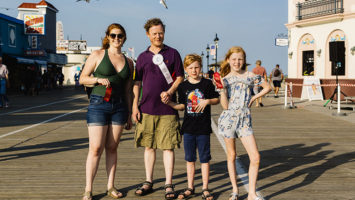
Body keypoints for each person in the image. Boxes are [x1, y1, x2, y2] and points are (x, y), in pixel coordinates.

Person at [79, 23, 134, 200]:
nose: (116, 39)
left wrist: (130, 113)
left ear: (124, 38)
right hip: (98, 104)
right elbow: (82, 79)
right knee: (95, 148)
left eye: (120, 36)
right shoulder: (97, 55)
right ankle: (88, 189)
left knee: (112, 147)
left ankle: (110, 186)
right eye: (113, 35)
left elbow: (128, 91)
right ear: (108, 37)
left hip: (119, 107)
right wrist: (98, 80)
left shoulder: (130, 62)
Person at [132, 18, 184, 200]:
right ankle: (148, 181)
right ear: (148, 34)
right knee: (149, 147)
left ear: (164, 32)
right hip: (146, 108)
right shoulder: (142, 57)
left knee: (168, 148)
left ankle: (169, 184)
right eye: (154, 33)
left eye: (160, 32)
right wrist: (134, 107)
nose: (158, 36)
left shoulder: (173, 53)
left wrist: (170, 92)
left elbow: (179, 78)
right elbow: (137, 83)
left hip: (168, 109)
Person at [218, 46, 271, 200]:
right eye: (234, 59)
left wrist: (255, 97)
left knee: (255, 157)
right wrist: (221, 90)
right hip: (229, 120)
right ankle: (235, 190)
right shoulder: (225, 79)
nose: (237, 62)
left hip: (245, 120)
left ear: (244, 60)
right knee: (232, 155)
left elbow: (268, 87)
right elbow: (225, 106)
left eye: (240, 59)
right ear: (228, 60)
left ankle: (252, 193)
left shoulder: (251, 76)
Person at [163, 54, 219, 200]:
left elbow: (216, 99)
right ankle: (190, 187)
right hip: (188, 129)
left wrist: (207, 101)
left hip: (203, 128)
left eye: (196, 67)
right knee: (190, 159)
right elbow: (181, 106)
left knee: (205, 159)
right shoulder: (183, 86)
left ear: (201, 68)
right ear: (186, 69)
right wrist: (169, 103)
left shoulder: (207, 84)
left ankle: (205, 188)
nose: (194, 70)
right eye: (190, 68)